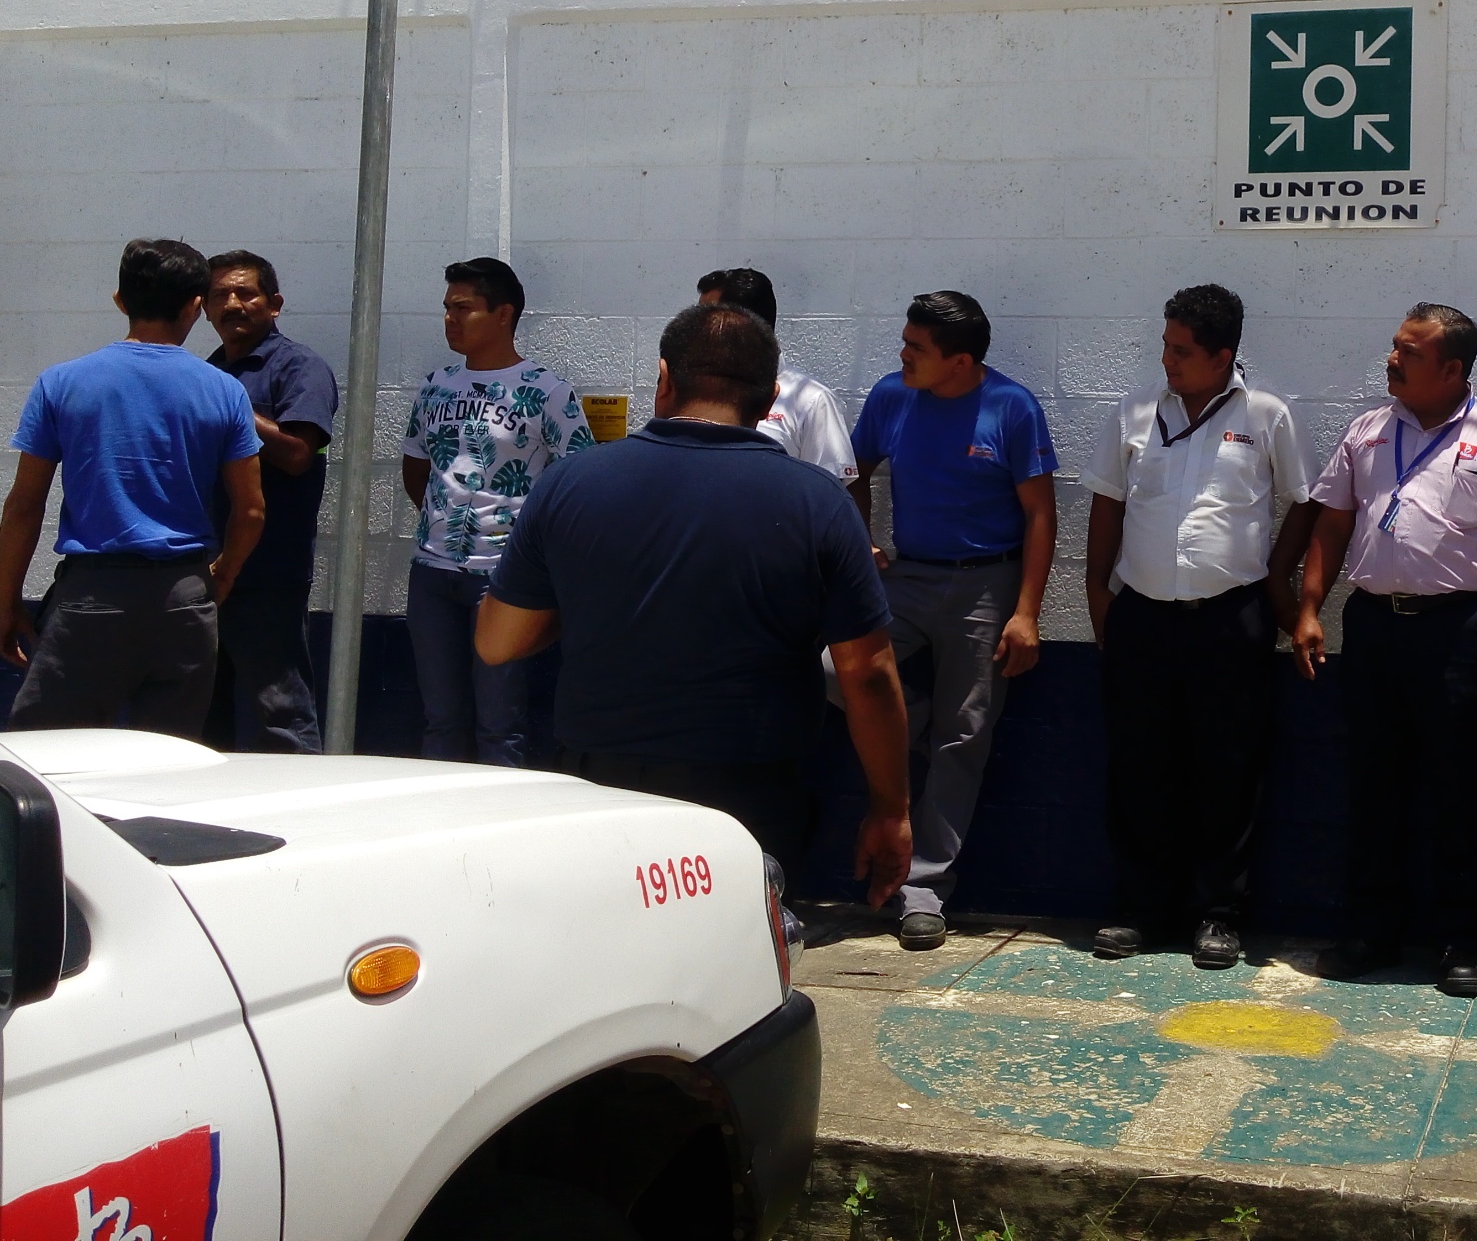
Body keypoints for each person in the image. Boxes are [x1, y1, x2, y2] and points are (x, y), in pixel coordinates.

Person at [474, 304, 912, 908]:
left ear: (663, 379)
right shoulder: (818, 502)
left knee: (610, 944)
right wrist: (890, 808)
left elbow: (497, 642)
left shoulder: (570, 483)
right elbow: (868, 674)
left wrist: (588, 597)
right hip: (751, 791)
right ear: (769, 401)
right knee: (739, 951)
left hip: (602, 783)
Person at [1291, 303, 1477, 999]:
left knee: (1458, 788)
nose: (1392, 359)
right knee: (1374, 784)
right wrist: (1310, 609)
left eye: (1409, 351)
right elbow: (1331, 525)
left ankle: (1460, 941)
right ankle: (1371, 932)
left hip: (1457, 630)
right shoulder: (1367, 431)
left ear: (1452, 368)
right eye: (1394, 346)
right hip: (1375, 626)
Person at [1081, 284, 1316, 969]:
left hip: (1230, 618)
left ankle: (1219, 913)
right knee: (1139, 764)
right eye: (1165, 345)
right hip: (1143, 616)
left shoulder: (1267, 415)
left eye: (1182, 351)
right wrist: (1098, 591)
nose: (1168, 360)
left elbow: (1304, 500)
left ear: (1223, 355)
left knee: (1228, 769)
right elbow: (1107, 501)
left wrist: (1277, 580)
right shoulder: (1135, 411)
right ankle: (1142, 908)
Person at [848, 290, 1058, 952]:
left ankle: (924, 890)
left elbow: (1040, 513)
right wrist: (861, 540)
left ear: (960, 361)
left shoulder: (1012, 407)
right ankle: (919, 728)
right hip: (907, 579)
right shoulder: (891, 396)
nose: (902, 355)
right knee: (833, 670)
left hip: (986, 585)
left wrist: (1026, 612)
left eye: (917, 347)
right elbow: (852, 473)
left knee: (965, 736)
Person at [0, 240, 263, 736]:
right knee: (168, 755)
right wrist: (222, 575)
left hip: (92, 597)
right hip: (184, 597)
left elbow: (24, 507)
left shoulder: (62, 383)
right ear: (195, 306)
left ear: (120, 300)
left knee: (49, 750)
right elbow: (250, 511)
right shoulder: (225, 391)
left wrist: (6, 599)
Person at [399, 258, 592, 767]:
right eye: (446, 308)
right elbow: (416, 468)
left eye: (463, 308)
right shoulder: (436, 385)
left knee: (500, 725)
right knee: (440, 720)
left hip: (504, 579)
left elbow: (578, 478)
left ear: (503, 314)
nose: (450, 319)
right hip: (432, 573)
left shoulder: (547, 391)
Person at [201, 250, 339, 753]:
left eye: (246, 293)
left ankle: (301, 799)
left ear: (274, 304)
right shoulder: (209, 371)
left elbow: (299, 454)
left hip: (267, 576)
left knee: (280, 715)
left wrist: (230, 403)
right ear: (204, 308)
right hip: (202, 571)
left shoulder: (300, 367)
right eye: (220, 295)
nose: (232, 304)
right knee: (199, 717)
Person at [696, 266, 858, 482]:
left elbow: (828, 491)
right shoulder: (693, 394)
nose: (695, 329)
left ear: (744, 325)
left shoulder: (813, 401)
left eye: (706, 319)